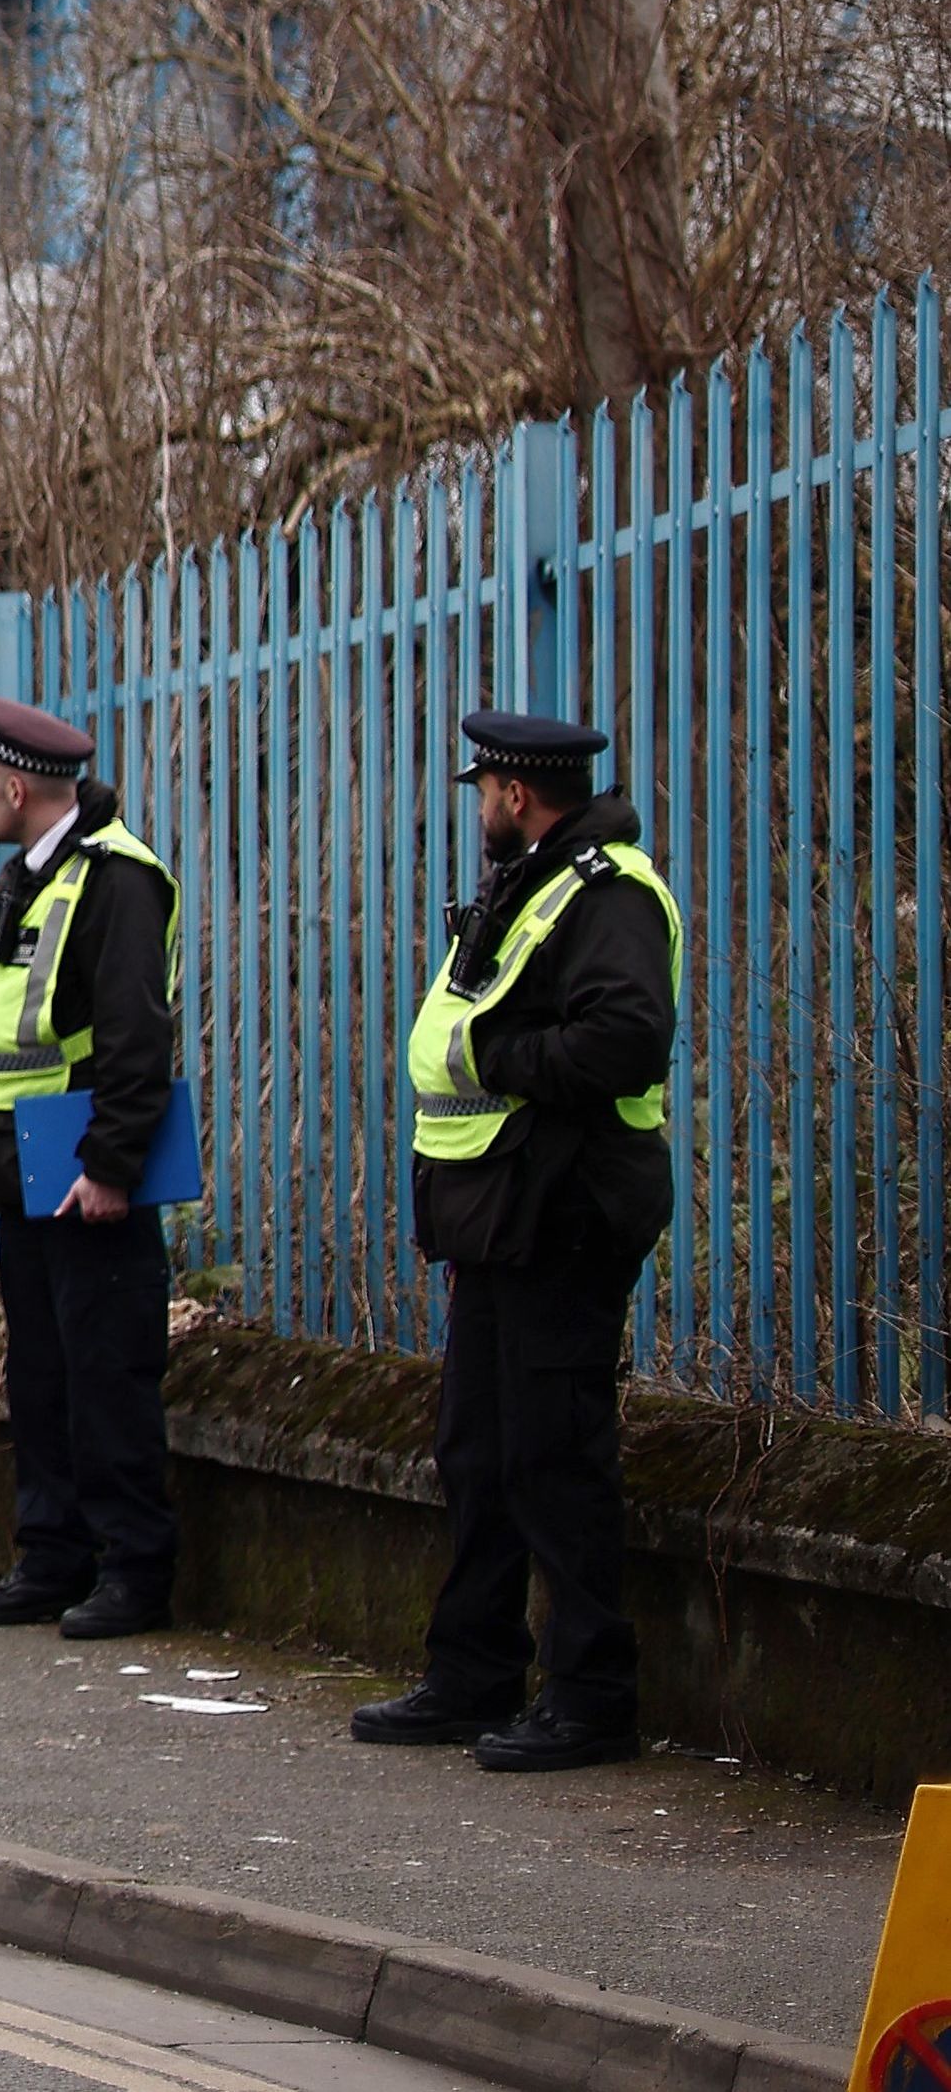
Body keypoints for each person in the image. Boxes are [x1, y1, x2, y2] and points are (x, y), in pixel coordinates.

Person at [350, 711, 681, 1775]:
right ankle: (472, 1672)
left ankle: (589, 1697)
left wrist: (499, 1052)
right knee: (479, 1453)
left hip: (569, 1212)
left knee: (555, 1456)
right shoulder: (527, 886)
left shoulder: (609, 893)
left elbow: (627, 1039)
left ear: (516, 793)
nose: (479, 803)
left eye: (483, 786)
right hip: (502, 1215)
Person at [0, 700, 185, 1637]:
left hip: (84, 1164)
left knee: (107, 1368)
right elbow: (30, 1011)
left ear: (15, 785)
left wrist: (113, 1166)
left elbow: (134, 1035)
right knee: (41, 1368)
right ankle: (52, 1555)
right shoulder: (31, 878)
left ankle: (134, 1569)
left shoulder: (117, 880)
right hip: (23, 1158)